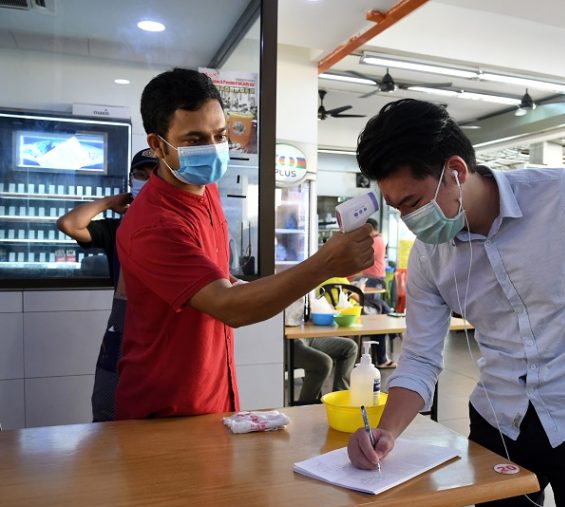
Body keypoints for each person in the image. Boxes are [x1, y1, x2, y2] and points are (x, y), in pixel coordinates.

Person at [346, 99, 565, 507]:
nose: (410, 223)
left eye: (414, 203)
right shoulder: (429, 254)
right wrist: (386, 431)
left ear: (456, 171)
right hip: (499, 421)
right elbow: (421, 358)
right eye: (397, 209)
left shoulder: (563, 196)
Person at [115, 68, 373, 420]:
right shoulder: (154, 224)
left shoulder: (204, 191)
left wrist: (250, 288)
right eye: (194, 140)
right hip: (164, 411)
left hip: (213, 398)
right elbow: (229, 306)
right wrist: (325, 264)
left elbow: (220, 283)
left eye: (219, 135)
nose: (212, 149)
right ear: (158, 145)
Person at [56, 148, 158, 422]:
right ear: (130, 180)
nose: (147, 180)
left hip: (161, 329)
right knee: (107, 405)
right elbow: (68, 224)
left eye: (154, 175)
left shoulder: (172, 226)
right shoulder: (117, 228)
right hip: (123, 325)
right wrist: (114, 201)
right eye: (140, 175)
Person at [293, 337, 358, 402]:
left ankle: (340, 400)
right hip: (288, 342)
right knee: (323, 363)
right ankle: (305, 406)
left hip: (306, 336)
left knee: (350, 347)